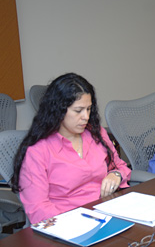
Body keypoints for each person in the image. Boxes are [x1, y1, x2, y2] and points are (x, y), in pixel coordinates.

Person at [11, 73, 131, 224]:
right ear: (58, 110)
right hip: (68, 224)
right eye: (78, 110)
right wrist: (76, 224)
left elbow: (120, 165)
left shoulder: (95, 133)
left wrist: (116, 174)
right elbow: (38, 209)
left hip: (107, 212)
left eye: (88, 109)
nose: (86, 116)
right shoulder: (38, 151)